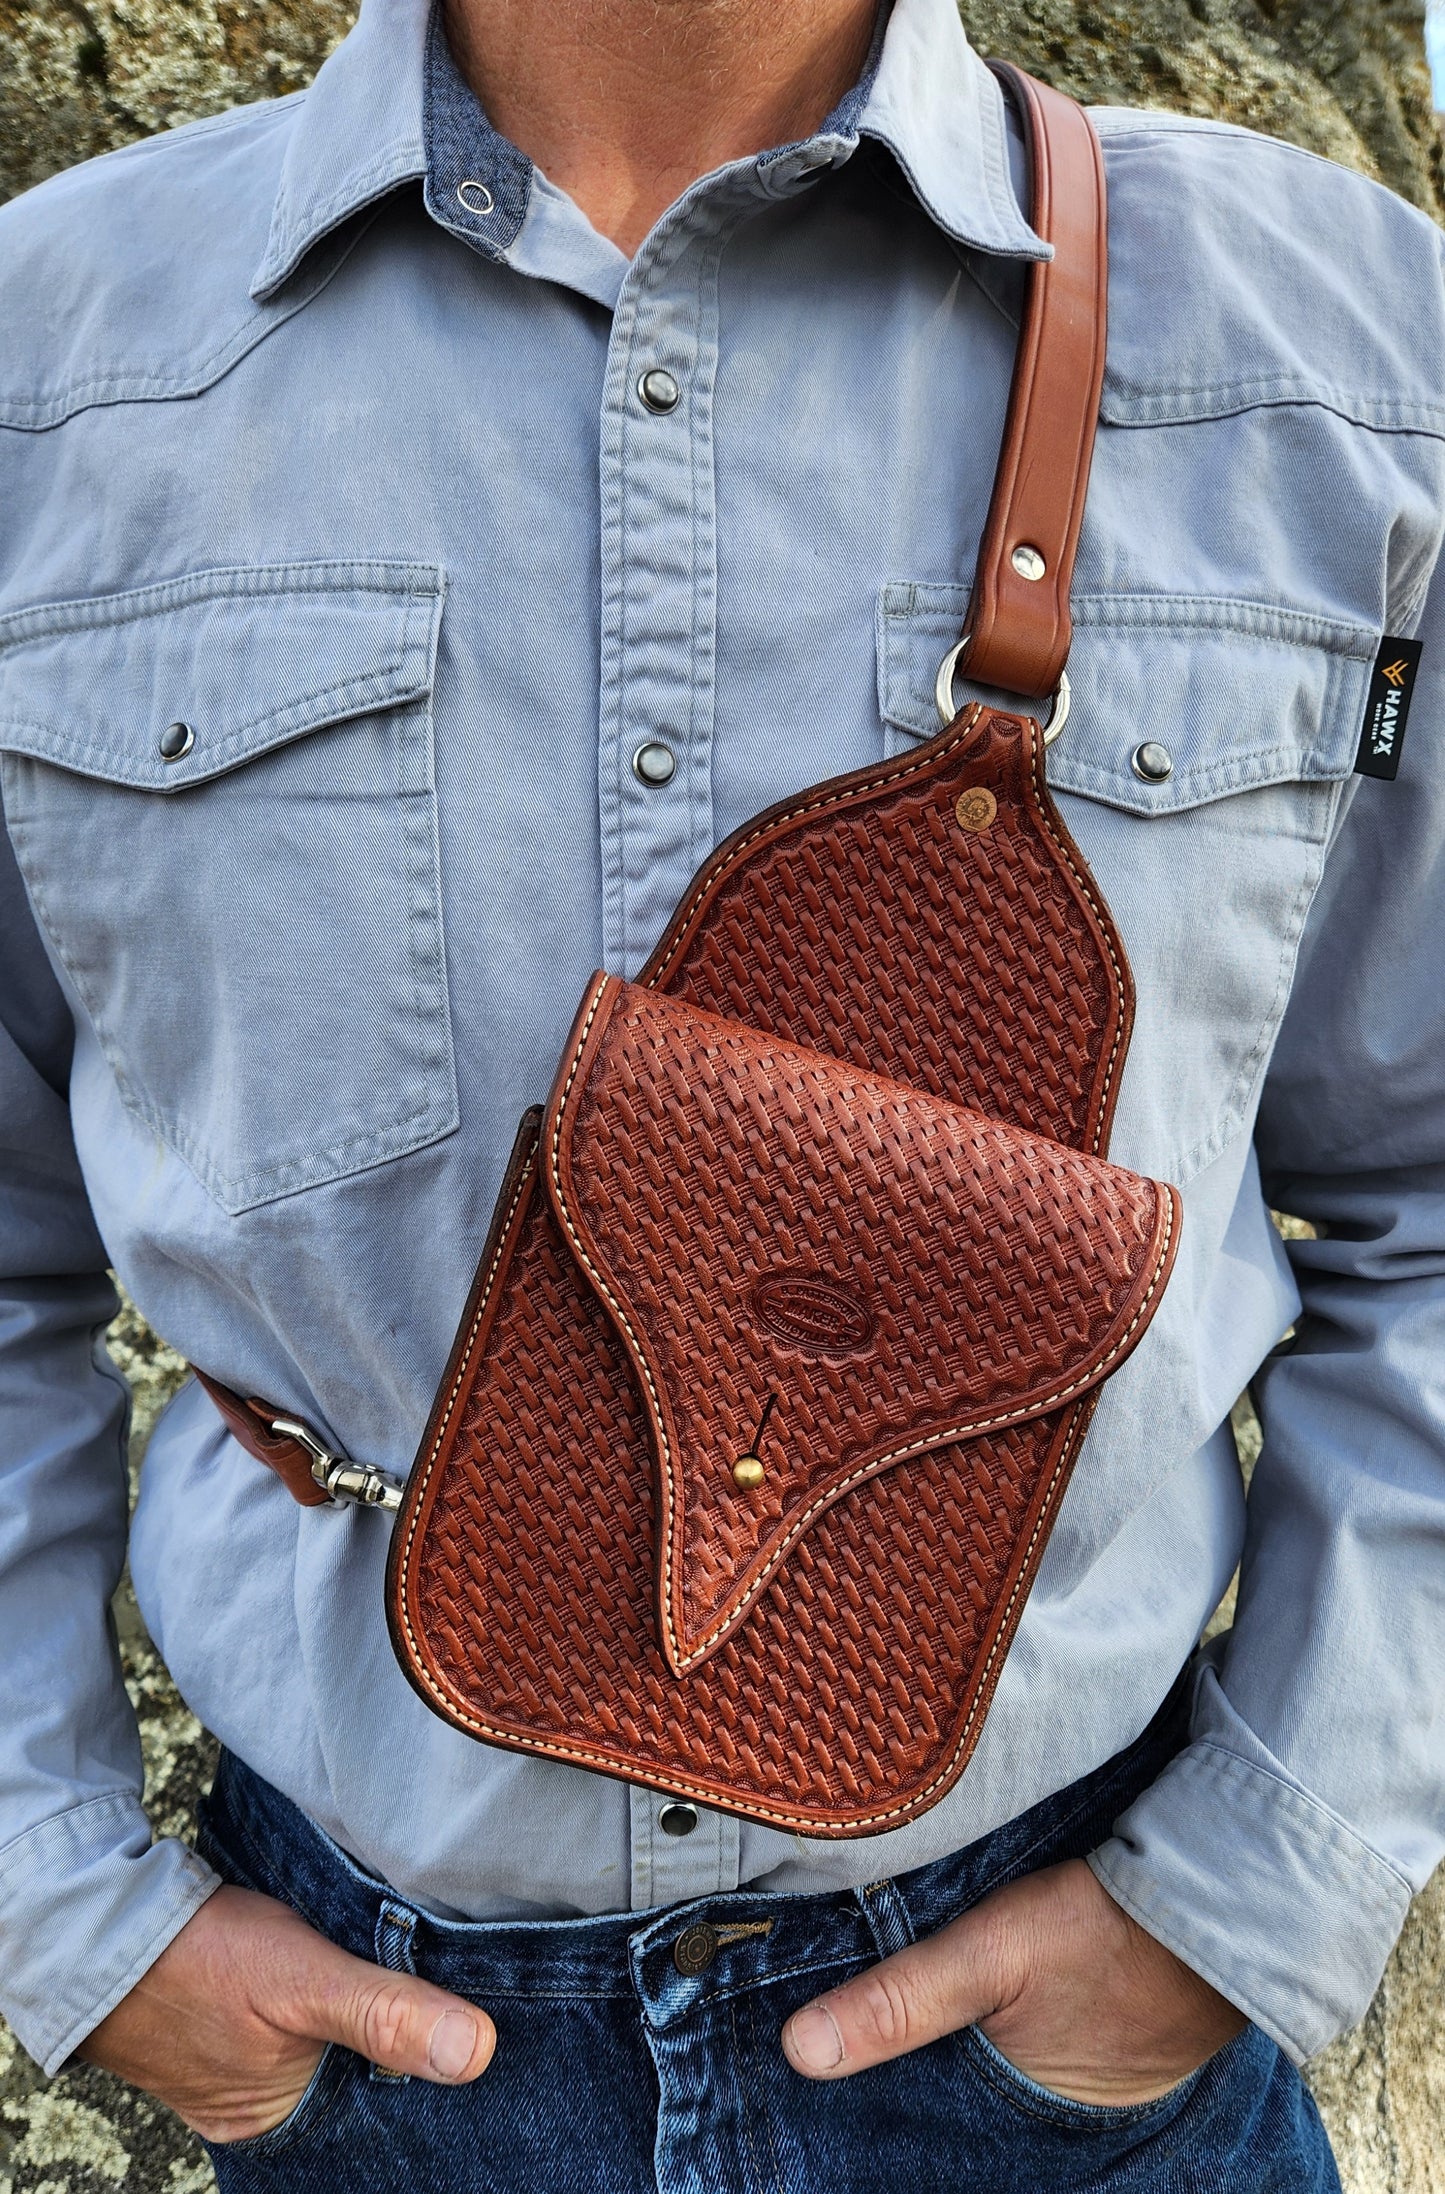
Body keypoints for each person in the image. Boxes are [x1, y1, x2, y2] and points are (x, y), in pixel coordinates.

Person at [0, 0, 1441, 2184]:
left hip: (1079, 2054)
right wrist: (78, 1920)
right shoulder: (54, 360)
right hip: (371, 2065)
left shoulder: (1340, 347)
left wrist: (1246, 1890)